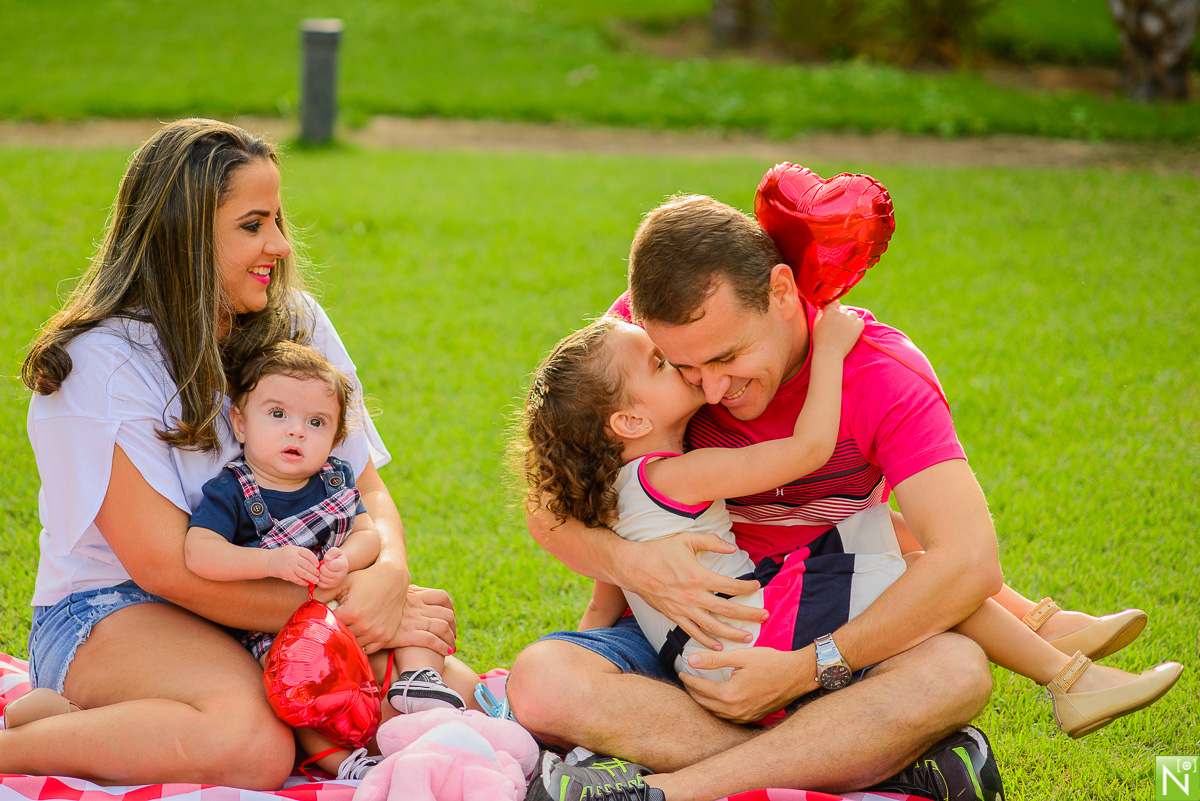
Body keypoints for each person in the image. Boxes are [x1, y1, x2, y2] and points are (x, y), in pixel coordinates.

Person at [507, 194, 1158, 801]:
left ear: (781, 292)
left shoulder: (881, 376)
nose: (709, 389)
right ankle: (882, 762)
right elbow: (553, 502)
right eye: (684, 367)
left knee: (954, 669)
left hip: (821, 625)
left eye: (727, 358)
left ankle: (685, 782)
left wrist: (808, 669)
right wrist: (634, 565)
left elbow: (968, 561)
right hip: (690, 629)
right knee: (542, 678)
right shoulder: (652, 333)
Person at [0, 119, 469, 788]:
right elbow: (166, 566)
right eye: (253, 225)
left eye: (277, 219)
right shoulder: (97, 364)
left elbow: (364, 488)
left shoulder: (299, 323)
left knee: (442, 700)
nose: (280, 244)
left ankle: (75, 721)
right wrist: (343, 612)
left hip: (284, 593)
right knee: (249, 742)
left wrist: (388, 577)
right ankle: (18, 748)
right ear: (184, 237)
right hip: (116, 606)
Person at [518, 313, 1180, 743]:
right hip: (755, 639)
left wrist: (600, 654)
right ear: (631, 421)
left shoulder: (615, 496)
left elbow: (604, 601)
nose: (680, 360)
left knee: (871, 520)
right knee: (924, 575)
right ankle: (1067, 680)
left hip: (720, 645)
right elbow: (808, 450)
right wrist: (831, 350)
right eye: (661, 364)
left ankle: (1041, 623)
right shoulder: (674, 476)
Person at [183, 341, 470, 780]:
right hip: (279, 628)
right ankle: (342, 762)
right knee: (299, 689)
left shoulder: (335, 477)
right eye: (277, 414)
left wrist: (346, 558)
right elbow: (199, 551)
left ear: (336, 438)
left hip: (352, 602)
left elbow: (367, 533)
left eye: (315, 422)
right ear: (240, 423)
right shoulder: (233, 490)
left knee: (411, 614)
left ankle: (418, 679)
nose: (296, 431)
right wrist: (269, 563)